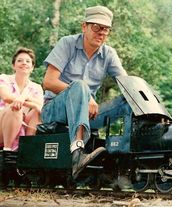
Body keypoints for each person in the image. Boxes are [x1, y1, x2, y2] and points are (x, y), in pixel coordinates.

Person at [41, 5, 128, 179]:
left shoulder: (109, 54)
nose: (101, 32)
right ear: (84, 27)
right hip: (55, 111)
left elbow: (127, 83)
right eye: (96, 27)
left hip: (88, 114)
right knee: (80, 86)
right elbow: (48, 82)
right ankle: (77, 151)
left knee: (128, 99)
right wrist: (85, 95)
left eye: (106, 29)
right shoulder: (67, 43)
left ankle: (127, 155)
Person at [0, 47, 44, 152]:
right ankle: (8, 151)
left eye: (28, 61)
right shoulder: (4, 78)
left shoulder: (36, 87)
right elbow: (6, 97)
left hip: (23, 126)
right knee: (15, 107)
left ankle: (27, 149)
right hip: (2, 124)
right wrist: (31, 103)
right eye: (19, 60)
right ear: (13, 65)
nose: (24, 63)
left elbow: (41, 106)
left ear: (32, 67)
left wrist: (24, 97)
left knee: (36, 112)